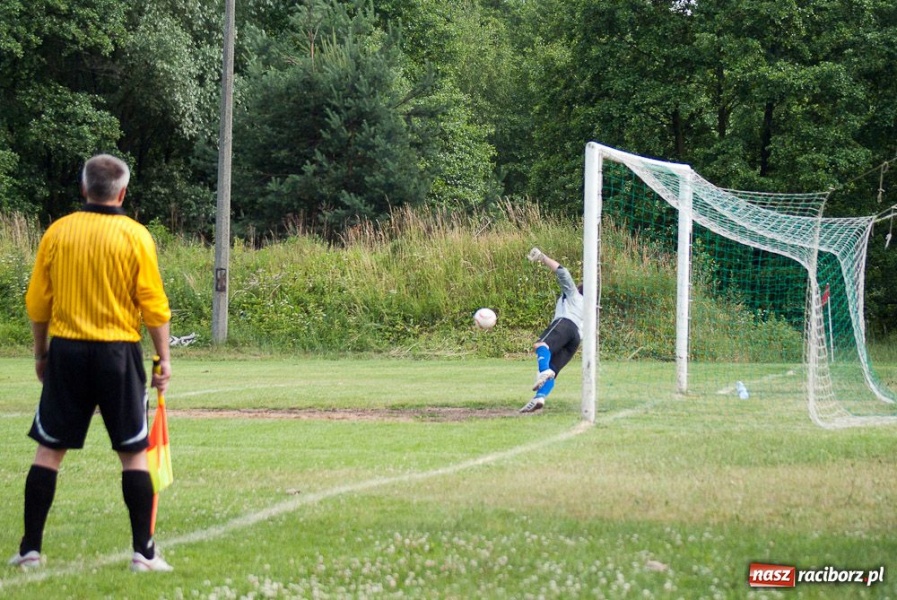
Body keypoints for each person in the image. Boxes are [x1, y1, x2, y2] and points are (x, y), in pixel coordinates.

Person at [8, 154, 174, 572]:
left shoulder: (58, 232)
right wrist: (163, 360)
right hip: (117, 353)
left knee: (49, 451)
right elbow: (153, 306)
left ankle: (30, 549)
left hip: (66, 351)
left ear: (84, 189)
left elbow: (37, 302)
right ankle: (144, 552)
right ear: (122, 192)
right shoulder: (136, 237)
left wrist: (41, 353)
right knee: (133, 453)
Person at [519, 247, 583, 413]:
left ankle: (543, 370)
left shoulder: (574, 295)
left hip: (566, 323)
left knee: (541, 345)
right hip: (576, 339)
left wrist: (542, 257)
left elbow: (563, 272)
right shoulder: (590, 308)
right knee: (553, 370)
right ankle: (539, 398)